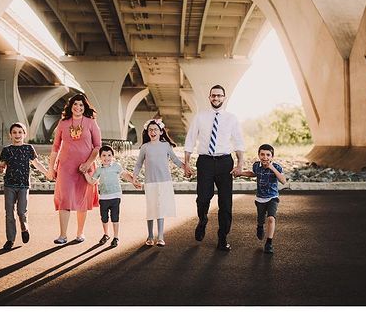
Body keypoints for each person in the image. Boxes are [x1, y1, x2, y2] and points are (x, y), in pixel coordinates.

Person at [183, 84, 245, 251]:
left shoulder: (231, 118)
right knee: (203, 198)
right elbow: (190, 140)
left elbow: (238, 142)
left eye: (219, 95)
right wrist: (187, 163)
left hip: (225, 162)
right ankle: (202, 219)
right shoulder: (200, 117)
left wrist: (240, 164)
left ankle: (222, 237)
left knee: (225, 203)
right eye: (213, 95)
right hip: (205, 162)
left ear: (224, 98)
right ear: (209, 97)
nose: (216, 98)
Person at [47, 93, 101, 244]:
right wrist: (51, 168)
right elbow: (55, 147)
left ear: (85, 107)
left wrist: (88, 163)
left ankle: (80, 233)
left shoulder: (91, 123)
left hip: (85, 168)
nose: (78, 107)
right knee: (64, 199)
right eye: (75, 104)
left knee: (82, 200)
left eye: (81, 105)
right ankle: (62, 235)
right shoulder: (63, 123)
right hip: (65, 167)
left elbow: (97, 147)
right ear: (71, 106)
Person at [0, 122, 48, 251]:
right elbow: (2, 166)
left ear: (24, 134)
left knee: (21, 211)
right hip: (9, 185)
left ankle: (24, 228)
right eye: (14, 132)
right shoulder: (6, 150)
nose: (17, 135)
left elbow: (36, 163)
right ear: (10, 135)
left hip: (24, 185)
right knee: (9, 213)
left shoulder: (28, 148)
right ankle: (10, 240)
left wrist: (47, 173)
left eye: (20, 132)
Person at [133, 119, 184, 247]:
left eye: (155, 129)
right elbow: (138, 164)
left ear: (161, 132)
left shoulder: (166, 146)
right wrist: (134, 177)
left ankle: (160, 237)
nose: (153, 132)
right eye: (150, 130)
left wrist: (185, 167)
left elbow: (175, 160)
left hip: (164, 182)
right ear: (147, 132)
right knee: (151, 209)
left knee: (160, 209)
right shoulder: (145, 147)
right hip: (150, 183)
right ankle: (150, 236)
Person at [83, 144, 141, 248]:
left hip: (115, 196)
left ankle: (116, 237)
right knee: (104, 218)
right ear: (100, 157)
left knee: (115, 218)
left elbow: (125, 175)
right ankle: (106, 235)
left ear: (112, 156)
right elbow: (92, 181)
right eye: (104, 155)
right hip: (104, 198)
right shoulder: (99, 170)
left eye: (109, 155)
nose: (107, 158)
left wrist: (134, 181)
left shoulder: (116, 166)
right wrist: (85, 173)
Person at [240, 143, 287, 254]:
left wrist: (272, 168)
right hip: (260, 198)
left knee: (271, 218)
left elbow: (283, 181)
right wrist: (241, 173)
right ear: (259, 155)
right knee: (261, 218)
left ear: (272, 156)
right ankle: (260, 226)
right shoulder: (256, 166)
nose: (265, 157)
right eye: (262, 154)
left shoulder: (277, 167)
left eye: (268, 155)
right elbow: (253, 174)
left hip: (272, 197)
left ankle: (269, 243)